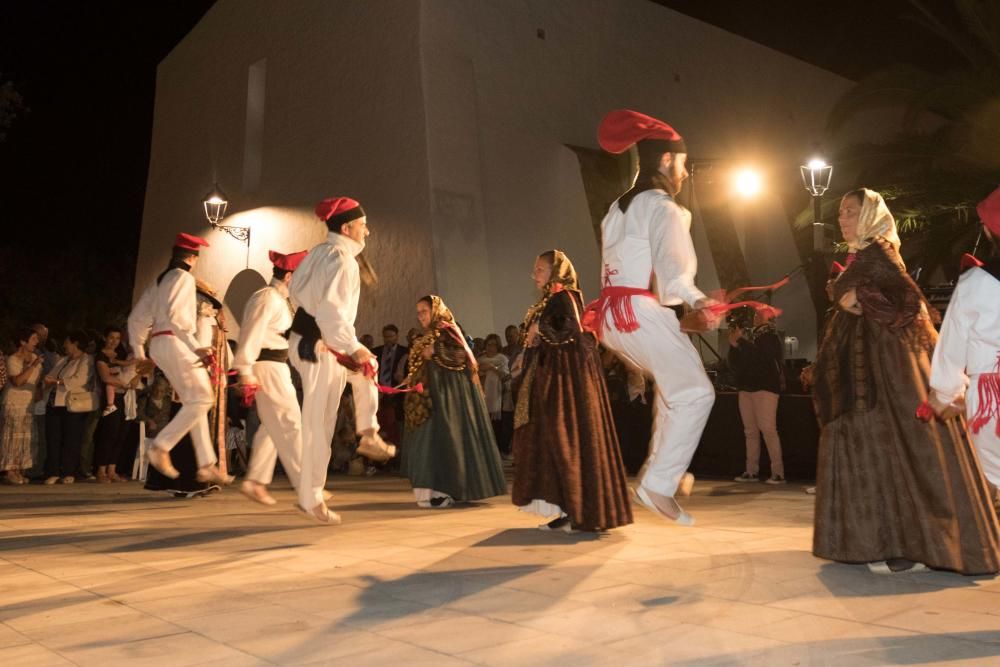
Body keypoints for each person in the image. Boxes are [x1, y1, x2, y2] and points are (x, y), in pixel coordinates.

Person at [811, 187, 999, 575]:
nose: (843, 218)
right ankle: (885, 538)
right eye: (842, 212)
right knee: (882, 450)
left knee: (904, 450)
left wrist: (858, 297)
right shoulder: (865, 255)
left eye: (850, 211)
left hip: (892, 372)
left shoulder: (879, 251)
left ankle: (908, 539)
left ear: (871, 216)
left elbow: (908, 303)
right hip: (874, 372)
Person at [586, 109, 719, 525]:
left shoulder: (618, 207)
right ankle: (660, 481)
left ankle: (663, 471)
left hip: (613, 314)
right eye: (681, 164)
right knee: (698, 392)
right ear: (666, 160)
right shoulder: (663, 206)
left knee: (672, 388)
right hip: (638, 312)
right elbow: (673, 271)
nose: (684, 173)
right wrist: (697, 301)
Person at [289, 197, 395, 525]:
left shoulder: (319, 253)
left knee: (327, 415)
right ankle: (312, 494)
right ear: (348, 228)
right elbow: (332, 312)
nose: (369, 231)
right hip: (320, 342)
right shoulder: (340, 259)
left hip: (314, 340)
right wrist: (353, 347)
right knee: (319, 421)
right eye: (363, 225)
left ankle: (367, 432)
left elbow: (296, 294)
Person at [511, 250, 633, 531]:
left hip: (566, 385)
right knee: (555, 445)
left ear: (556, 272)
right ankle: (568, 508)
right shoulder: (553, 300)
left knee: (567, 443)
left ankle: (581, 511)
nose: (535, 275)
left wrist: (538, 332)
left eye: (540, 269)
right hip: (554, 382)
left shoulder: (564, 298)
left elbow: (569, 333)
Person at [127, 232, 232, 486]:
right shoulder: (184, 277)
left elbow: (135, 319)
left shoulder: (159, 280)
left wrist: (140, 352)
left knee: (195, 400)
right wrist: (196, 347)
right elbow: (178, 320)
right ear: (193, 258)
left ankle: (206, 465)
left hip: (160, 344)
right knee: (203, 398)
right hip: (176, 342)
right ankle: (161, 447)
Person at [928, 185, 1000, 506]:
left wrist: (945, 394)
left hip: (990, 401)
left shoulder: (976, 284)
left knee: (986, 482)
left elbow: (952, 348)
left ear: (987, 229)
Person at [401, 295, 506, 507]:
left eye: (424, 311)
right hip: (426, 400)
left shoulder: (447, 329)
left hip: (447, 399)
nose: (420, 316)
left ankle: (444, 490)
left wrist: (436, 351)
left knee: (444, 440)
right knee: (427, 443)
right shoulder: (428, 334)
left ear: (436, 310)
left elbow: (460, 355)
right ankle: (434, 491)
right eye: (418, 312)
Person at [234, 249, 308, 506]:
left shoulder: (280, 300)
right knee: (290, 423)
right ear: (289, 276)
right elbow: (250, 332)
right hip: (267, 367)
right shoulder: (266, 297)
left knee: (272, 426)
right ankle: (307, 487)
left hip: (276, 366)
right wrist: (245, 370)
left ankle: (255, 481)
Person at [728, 306, 786, 484]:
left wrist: (742, 343)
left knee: (768, 430)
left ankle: (778, 472)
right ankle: (751, 471)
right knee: (750, 431)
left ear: (769, 317)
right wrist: (734, 346)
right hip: (747, 388)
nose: (755, 316)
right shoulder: (750, 337)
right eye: (755, 313)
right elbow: (735, 362)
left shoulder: (770, 337)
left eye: (760, 313)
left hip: (765, 388)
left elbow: (763, 357)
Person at [42, 331, 93, 484]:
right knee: (53, 438)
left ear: (75, 343)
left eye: (67, 342)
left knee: (72, 439)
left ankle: (70, 471)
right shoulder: (63, 360)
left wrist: (56, 382)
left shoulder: (86, 360)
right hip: (54, 403)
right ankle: (53, 471)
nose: (64, 345)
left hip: (72, 404)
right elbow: (50, 376)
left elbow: (79, 380)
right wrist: (49, 381)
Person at [94, 326, 137, 482]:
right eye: (111, 337)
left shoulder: (122, 355)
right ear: (105, 338)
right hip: (110, 399)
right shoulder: (101, 356)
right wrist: (124, 384)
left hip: (125, 398)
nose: (114, 341)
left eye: (117, 338)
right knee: (108, 433)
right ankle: (101, 470)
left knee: (121, 434)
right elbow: (106, 378)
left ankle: (112, 469)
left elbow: (134, 370)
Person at [1, 328, 42, 484]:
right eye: (33, 339)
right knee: (12, 439)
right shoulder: (12, 359)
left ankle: (19, 470)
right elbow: (18, 381)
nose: (36, 342)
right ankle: (9, 471)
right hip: (13, 403)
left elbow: (37, 382)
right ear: (23, 342)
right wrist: (32, 365)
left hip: (28, 404)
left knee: (25, 439)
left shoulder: (35, 358)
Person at [477, 333, 510, 455]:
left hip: (497, 395)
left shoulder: (502, 359)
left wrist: (493, 368)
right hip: (482, 394)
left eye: (494, 345)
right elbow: (474, 376)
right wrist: (482, 372)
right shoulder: (480, 360)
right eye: (489, 345)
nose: (491, 348)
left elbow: (506, 376)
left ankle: (496, 450)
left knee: (497, 425)